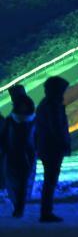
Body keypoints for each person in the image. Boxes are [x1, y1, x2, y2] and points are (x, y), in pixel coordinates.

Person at [34, 76, 71, 223]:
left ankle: (46, 211)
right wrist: (63, 143)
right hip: (52, 147)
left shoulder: (47, 104)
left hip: (47, 146)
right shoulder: (52, 105)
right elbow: (56, 127)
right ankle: (46, 212)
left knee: (50, 179)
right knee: (50, 180)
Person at [0, 88, 36, 218]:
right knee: (14, 182)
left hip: (26, 156)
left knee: (22, 182)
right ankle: (18, 205)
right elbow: (4, 138)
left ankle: (19, 207)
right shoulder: (11, 120)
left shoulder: (32, 121)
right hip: (13, 155)